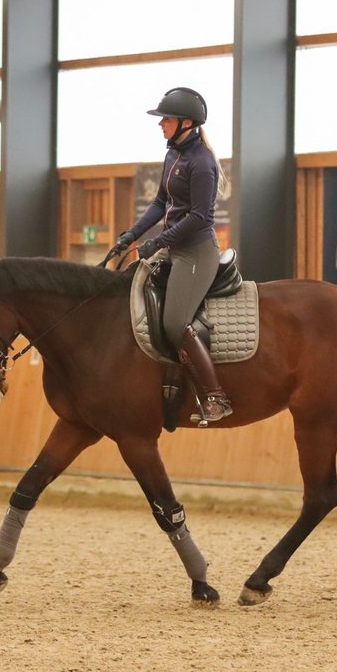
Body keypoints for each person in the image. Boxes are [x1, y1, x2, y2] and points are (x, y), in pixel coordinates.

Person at [113, 87, 233, 423]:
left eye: (165, 118)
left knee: (176, 322)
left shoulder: (202, 163)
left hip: (196, 252)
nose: (160, 124)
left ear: (186, 122)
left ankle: (216, 397)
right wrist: (133, 235)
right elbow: (160, 203)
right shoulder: (173, 155)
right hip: (173, 247)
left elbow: (199, 217)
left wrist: (157, 242)